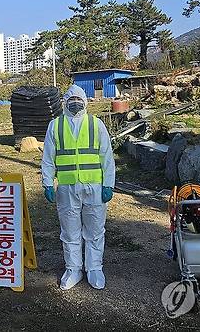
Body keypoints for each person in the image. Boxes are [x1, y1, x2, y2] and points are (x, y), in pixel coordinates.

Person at [41, 84, 115, 290]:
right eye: (71, 99)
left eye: (78, 100)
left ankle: (94, 268)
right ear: (64, 102)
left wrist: (109, 184)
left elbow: (107, 157)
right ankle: (73, 269)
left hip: (94, 186)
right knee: (70, 231)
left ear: (85, 102)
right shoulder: (55, 125)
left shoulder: (96, 124)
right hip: (66, 188)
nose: (75, 103)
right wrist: (47, 182)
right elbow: (48, 158)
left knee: (95, 230)